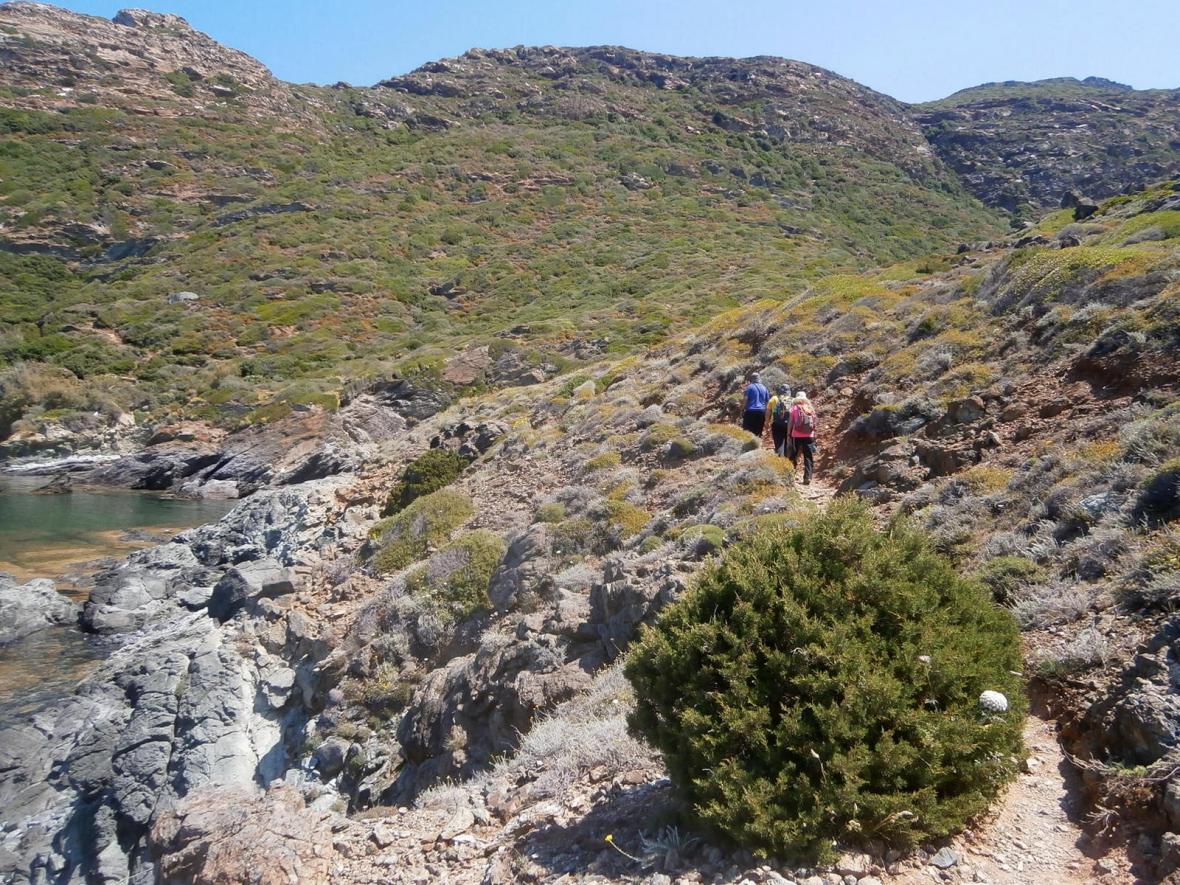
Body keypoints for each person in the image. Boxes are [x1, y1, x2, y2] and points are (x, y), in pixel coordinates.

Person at [788, 391, 818, 485]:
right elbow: (815, 422)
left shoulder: (794, 408)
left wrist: (788, 434)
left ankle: (790, 476)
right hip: (809, 435)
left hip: (796, 435)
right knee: (808, 456)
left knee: (794, 455)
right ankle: (807, 477)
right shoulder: (810, 408)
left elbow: (791, 422)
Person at [765, 383, 793, 456]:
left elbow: (768, 411)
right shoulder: (792, 400)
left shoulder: (774, 398)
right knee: (788, 443)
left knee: (778, 444)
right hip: (789, 425)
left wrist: (767, 422)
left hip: (776, 424)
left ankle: (780, 459)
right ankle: (787, 460)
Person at [741, 372, 770, 436]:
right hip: (761, 412)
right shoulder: (764, 388)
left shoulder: (749, 387)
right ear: (759, 379)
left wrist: (742, 409)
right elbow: (767, 402)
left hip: (750, 411)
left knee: (747, 432)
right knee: (758, 432)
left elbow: (745, 399)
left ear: (751, 379)